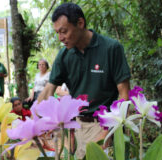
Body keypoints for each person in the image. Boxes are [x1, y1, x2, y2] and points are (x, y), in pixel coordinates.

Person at [37, 3, 131, 158]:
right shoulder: (64, 56)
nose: (61, 38)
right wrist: (35, 121)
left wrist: (109, 132)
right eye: (57, 33)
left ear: (80, 23)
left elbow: (124, 94)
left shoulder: (111, 48)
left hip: (104, 124)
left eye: (64, 31)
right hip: (76, 125)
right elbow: (48, 90)